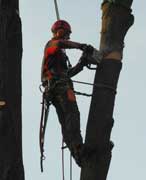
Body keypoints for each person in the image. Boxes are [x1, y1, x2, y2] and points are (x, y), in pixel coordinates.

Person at [41, 19, 93, 166]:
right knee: (72, 116)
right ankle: (78, 147)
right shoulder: (52, 44)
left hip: (56, 89)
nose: (67, 37)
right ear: (60, 32)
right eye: (67, 34)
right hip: (61, 88)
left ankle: (77, 154)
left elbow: (67, 73)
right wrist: (81, 46)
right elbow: (61, 43)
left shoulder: (60, 55)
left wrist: (82, 63)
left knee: (66, 122)